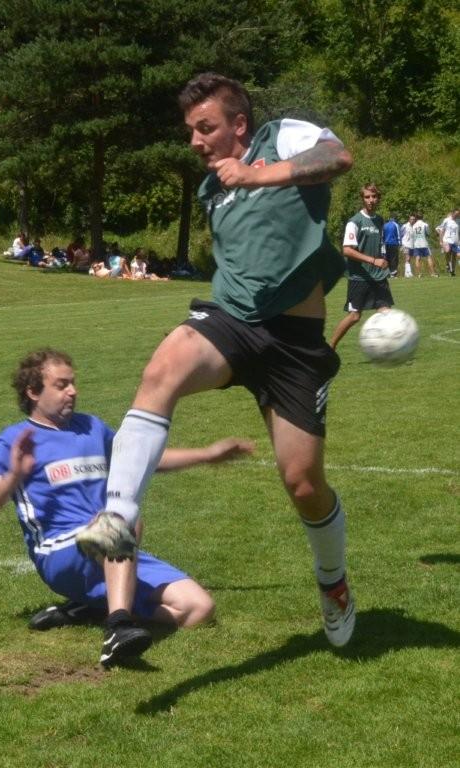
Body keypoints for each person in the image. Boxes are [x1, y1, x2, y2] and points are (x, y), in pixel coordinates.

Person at [78, 72, 357, 648]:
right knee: (163, 369)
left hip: (295, 341)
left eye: (205, 127)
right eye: (190, 130)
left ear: (239, 124)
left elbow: (337, 158)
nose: (195, 141)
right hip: (232, 322)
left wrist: (259, 175)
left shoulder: (282, 137)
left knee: (304, 484)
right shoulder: (211, 189)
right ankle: (118, 519)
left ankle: (333, 582)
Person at [0, 348, 254, 669]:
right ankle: (117, 627)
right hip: (60, 552)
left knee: (198, 610)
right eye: (61, 385)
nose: (72, 391)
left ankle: (92, 607)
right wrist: (13, 477)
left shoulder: (91, 427)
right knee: (123, 520)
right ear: (33, 392)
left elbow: (142, 461)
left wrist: (206, 455)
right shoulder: (14, 440)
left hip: (111, 543)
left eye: (73, 383)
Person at [330, 183, 393, 350]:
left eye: (374, 196)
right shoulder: (355, 221)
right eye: (367, 197)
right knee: (355, 316)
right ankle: (330, 347)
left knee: (386, 313)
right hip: (359, 277)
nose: (371, 200)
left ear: (378, 198)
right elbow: (347, 250)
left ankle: (389, 350)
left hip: (378, 276)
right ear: (362, 199)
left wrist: (382, 259)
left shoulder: (379, 220)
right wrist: (373, 260)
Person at [436, 210, 459, 277]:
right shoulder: (447, 220)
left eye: (458, 214)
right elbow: (441, 230)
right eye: (456, 214)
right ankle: (448, 265)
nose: (457, 215)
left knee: (454, 256)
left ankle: (452, 271)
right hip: (447, 240)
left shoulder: (457, 221)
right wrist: (441, 241)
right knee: (448, 251)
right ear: (452, 213)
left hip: (455, 241)